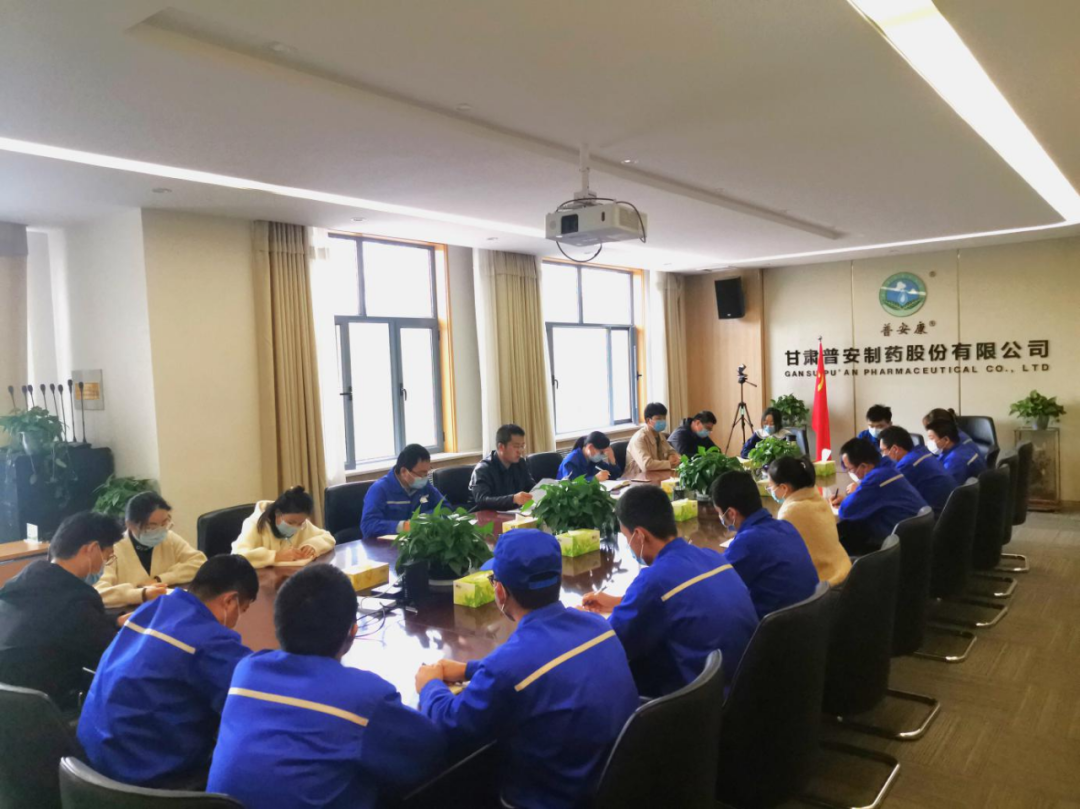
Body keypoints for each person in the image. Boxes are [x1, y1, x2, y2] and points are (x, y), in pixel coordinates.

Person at [417, 529, 637, 809]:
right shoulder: (598, 626)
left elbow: (452, 727)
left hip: (552, 799)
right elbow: (537, 662)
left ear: (500, 591)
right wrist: (470, 669)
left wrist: (430, 686)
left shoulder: (509, 666)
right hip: (614, 786)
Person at [208, 565, 444, 809]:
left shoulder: (246, 671)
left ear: (278, 624)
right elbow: (431, 751)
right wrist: (432, 687)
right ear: (352, 631)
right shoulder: (364, 698)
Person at [78, 555, 259, 789]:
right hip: (144, 778)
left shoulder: (150, 609)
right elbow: (250, 705)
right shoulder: (211, 640)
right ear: (230, 600)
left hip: (91, 761)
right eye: (243, 609)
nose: (238, 619)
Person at [581, 486, 758, 695]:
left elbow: (612, 643)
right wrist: (618, 602)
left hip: (701, 701)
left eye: (626, 537)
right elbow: (677, 598)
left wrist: (584, 620)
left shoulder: (653, 582)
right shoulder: (712, 557)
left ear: (639, 535)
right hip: (746, 687)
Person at [0, 512, 125, 711]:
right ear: (92, 549)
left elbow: (55, 621)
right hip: (51, 712)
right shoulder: (76, 599)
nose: (104, 564)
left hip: (10, 712)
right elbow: (117, 654)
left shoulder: (25, 581)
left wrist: (114, 621)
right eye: (107, 556)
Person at [710, 471, 819, 618]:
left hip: (779, 627)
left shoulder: (746, 544)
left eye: (719, 513)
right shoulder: (786, 526)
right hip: (814, 620)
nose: (720, 518)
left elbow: (714, 586)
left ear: (731, 514)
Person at [95, 491, 207, 609]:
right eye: (152, 526)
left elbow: (200, 563)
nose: (160, 530)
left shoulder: (169, 538)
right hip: (131, 613)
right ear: (130, 525)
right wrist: (141, 594)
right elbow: (99, 592)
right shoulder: (112, 549)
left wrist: (160, 579)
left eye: (164, 523)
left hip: (167, 608)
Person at [833, 438, 927, 554]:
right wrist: (853, 497)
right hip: (914, 539)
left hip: (898, 547)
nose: (850, 472)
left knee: (844, 533)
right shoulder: (888, 468)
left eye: (850, 469)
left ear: (863, 466)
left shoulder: (877, 480)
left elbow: (845, 511)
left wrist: (852, 498)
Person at [767, 456, 851, 586]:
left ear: (784, 488)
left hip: (826, 585)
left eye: (770, 487)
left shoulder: (790, 512)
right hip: (844, 570)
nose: (770, 491)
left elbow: (782, 555)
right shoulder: (818, 499)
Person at [231, 486, 335, 569]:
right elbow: (238, 556)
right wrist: (276, 556)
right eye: (291, 522)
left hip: (288, 577)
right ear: (278, 513)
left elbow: (328, 537)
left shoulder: (301, 523)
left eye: (300, 523)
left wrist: (313, 545)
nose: (295, 527)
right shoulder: (254, 524)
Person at [361, 444, 447, 537]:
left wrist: (424, 519)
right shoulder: (379, 490)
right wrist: (404, 526)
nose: (424, 478)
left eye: (426, 473)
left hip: (418, 541)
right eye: (421, 473)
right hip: (387, 544)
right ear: (404, 471)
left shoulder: (425, 486)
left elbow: (445, 508)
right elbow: (368, 526)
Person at [879, 426, 957, 515]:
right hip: (950, 509)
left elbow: (887, 492)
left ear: (895, 449)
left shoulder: (907, 465)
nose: (883, 455)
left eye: (883, 450)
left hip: (937, 515)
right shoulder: (922, 451)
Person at [469, 424, 536, 511]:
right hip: (487, 516)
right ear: (501, 447)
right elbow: (482, 500)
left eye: (522, 446)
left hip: (514, 514)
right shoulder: (482, 469)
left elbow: (531, 487)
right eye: (516, 446)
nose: (520, 451)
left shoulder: (520, 463)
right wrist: (513, 499)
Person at [623, 402, 681, 479]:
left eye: (664, 418)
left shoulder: (659, 435)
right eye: (659, 418)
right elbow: (646, 465)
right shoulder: (639, 439)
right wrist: (669, 463)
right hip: (637, 479)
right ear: (648, 420)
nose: (663, 421)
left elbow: (671, 450)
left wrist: (672, 456)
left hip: (656, 476)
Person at [926, 419, 986, 486]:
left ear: (946, 440)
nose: (927, 442)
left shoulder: (956, 461)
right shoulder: (955, 448)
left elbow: (947, 487)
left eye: (931, 438)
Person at [557, 430, 622, 482]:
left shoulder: (592, 459)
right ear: (590, 447)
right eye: (601, 452)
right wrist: (594, 479)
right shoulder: (571, 461)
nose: (603, 455)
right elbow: (571, 485)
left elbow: (614, 476)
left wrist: (612, 461)